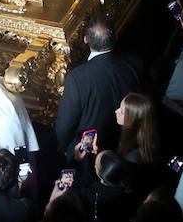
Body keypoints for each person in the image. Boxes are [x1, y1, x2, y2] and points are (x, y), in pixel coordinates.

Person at [53, 14, 142, 159]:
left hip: (91, 153)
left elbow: (65, 125)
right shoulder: (133, 64)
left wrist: (62, 151)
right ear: (115, 37)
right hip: (127, 144)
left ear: (85, 40)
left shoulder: (77, 78)